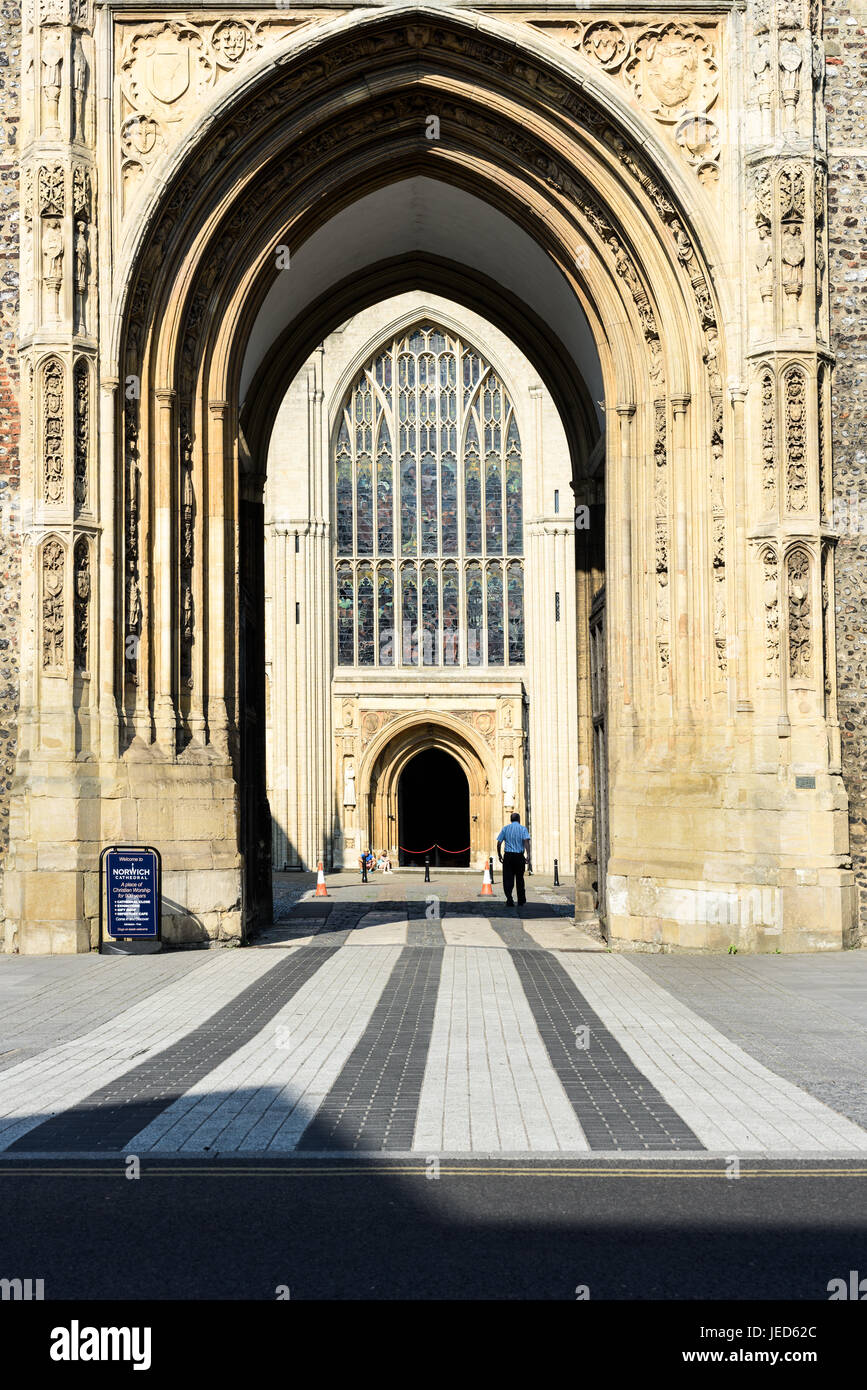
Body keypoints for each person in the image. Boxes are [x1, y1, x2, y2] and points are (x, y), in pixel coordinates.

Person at [496, 811, 530, 908]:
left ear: (511, 820)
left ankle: (509, 899)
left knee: (508, 879)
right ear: (519, 819)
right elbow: (526, 841)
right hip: (519, 856)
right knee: (520, 878)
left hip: (508, 856)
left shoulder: (505, 829)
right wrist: (528, 855)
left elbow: (499, 843)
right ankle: (521, 900)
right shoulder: (523, 829)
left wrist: (499, 855)